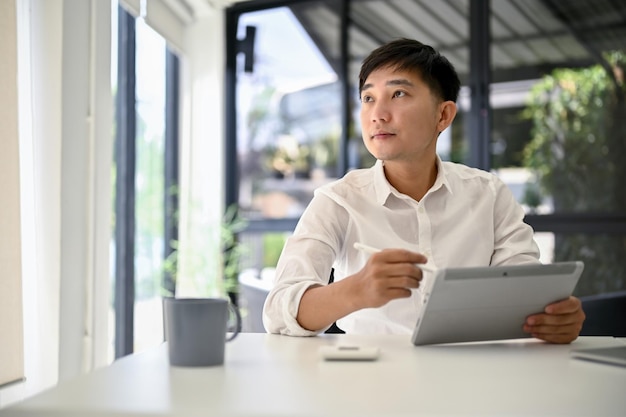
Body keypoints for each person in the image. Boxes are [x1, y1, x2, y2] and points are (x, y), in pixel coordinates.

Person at [262, 38, 585, 343]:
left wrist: (554, 318)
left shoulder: (489, 194)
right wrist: (355, 290)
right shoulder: (338, 200)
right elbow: (277, 312)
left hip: (473, 375)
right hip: (368, 380)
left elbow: (525, 294)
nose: (377, 114)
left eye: (398, 94)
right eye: (368, 98)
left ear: (442, 115)